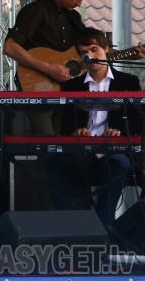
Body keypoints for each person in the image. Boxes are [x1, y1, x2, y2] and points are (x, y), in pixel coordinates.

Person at [3, 0, 144, 135]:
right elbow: (10, 47)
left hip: (66, 93)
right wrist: (49, 68)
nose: (80, 4)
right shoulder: (36, 10)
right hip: (38, 88)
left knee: (66, 141)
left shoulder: (74, 18)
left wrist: (129, 54)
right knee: (48, 144)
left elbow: (93, 49)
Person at [44, 27, 142, 229]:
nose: (89, 56)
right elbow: (64, 124)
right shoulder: (71, 85)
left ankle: (102, 228)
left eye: (94, 49)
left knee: (119, 163)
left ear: (106, 49)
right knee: (52, 164)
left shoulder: (128, 82)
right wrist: (76, 131)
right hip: (83, 154)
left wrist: (118, 132)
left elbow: (137, 121)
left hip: (113, 152)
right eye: (84, 52)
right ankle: (70, 226)